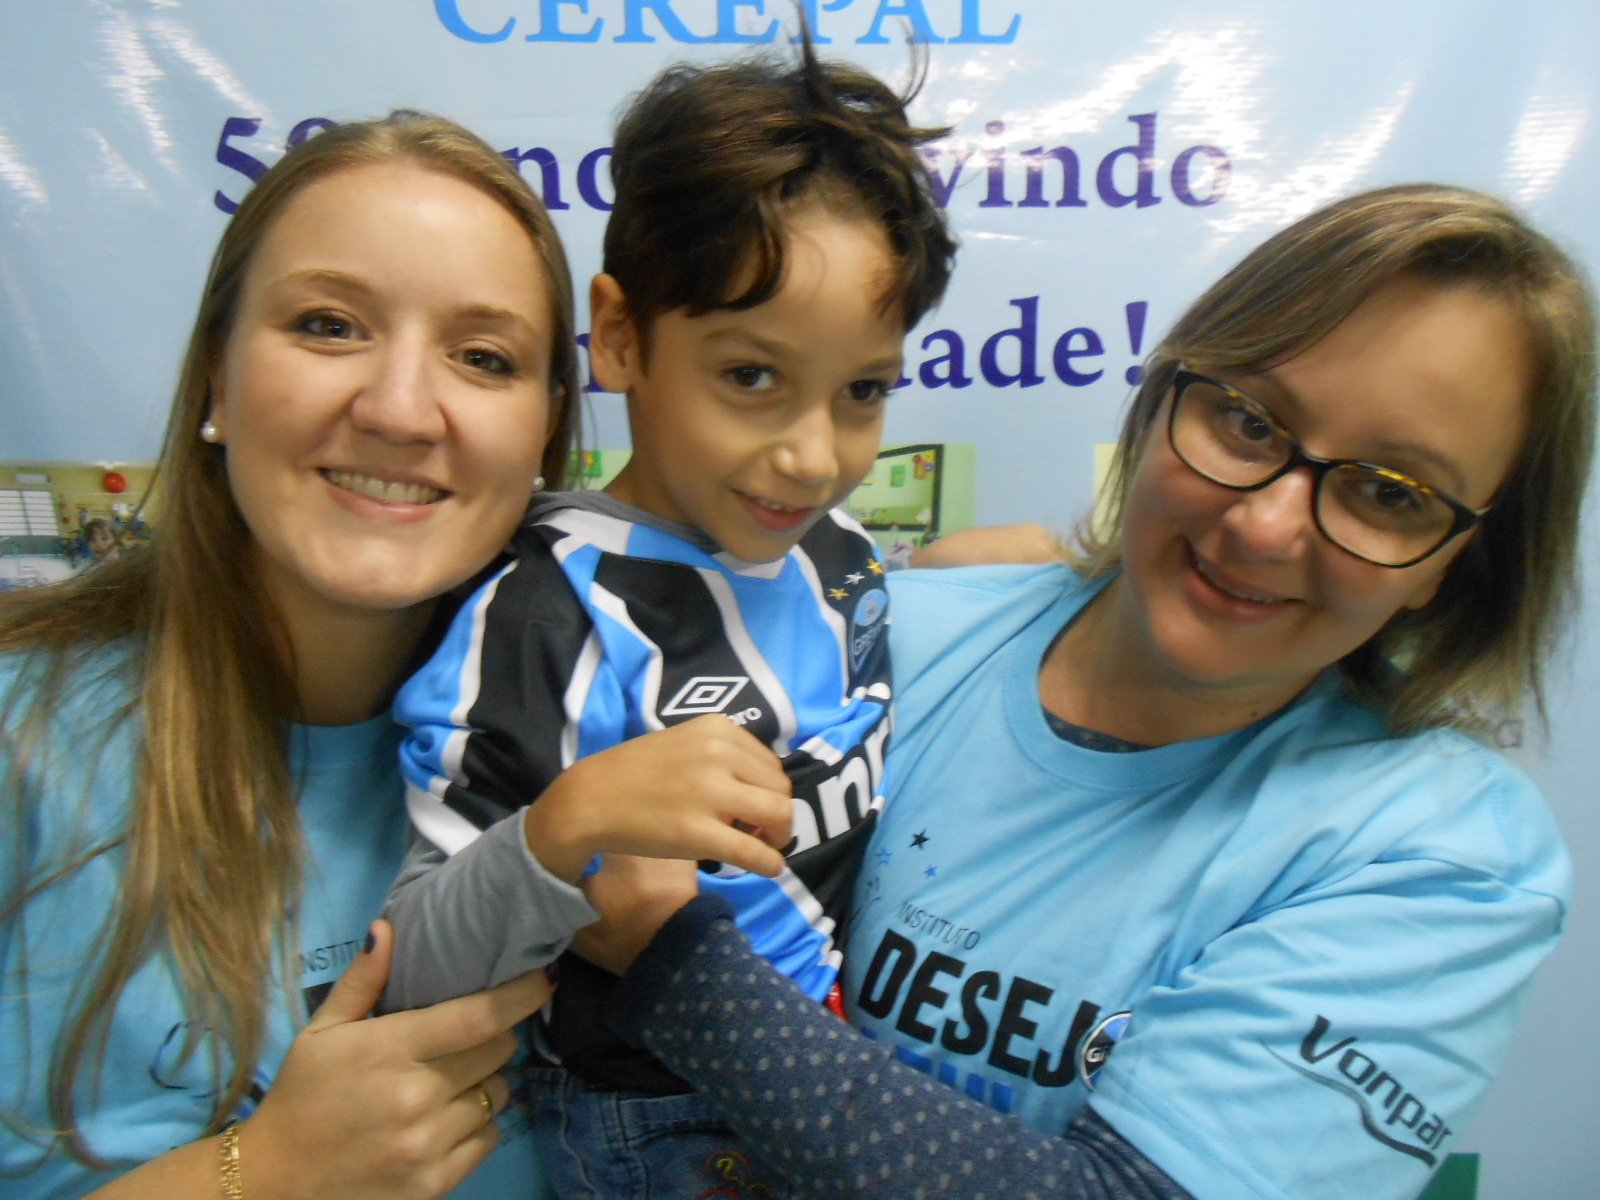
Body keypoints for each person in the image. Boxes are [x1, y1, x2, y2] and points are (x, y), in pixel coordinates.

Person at [581, 184, 1595, 1200]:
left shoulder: (1440, 856)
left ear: (1456, 561)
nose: (1267, 528)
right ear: (1162, 399)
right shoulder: (885, 639)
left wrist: (681, 971)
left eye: (1389, 492)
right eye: (1246, 420)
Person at [379, 42, 957, 1198]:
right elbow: (408, 969)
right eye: (751, 376)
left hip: (844, 1069)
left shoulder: (836, 552)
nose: (811, 454)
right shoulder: (541, 615)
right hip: (663, 1124)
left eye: (862, 391)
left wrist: (977, 571)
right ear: (623, 334)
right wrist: (559, 833)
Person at [0, 111, 591, 1200]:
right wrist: (263, 1173)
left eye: (482, 356)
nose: (402, 409)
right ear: (216, 380)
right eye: (328, 325)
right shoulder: (22, 739)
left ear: (543, 432)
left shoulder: (595, 737)